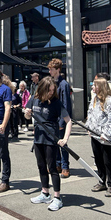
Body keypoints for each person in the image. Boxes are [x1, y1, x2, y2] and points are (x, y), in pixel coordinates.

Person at [24, 76, 72, 211]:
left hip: (51, 138)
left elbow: (69, 121)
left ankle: (57, 197)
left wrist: (65, 139)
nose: (51, 93)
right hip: (38, 137)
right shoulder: (34, 98)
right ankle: (45, 193)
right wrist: (27, 113)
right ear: (42, 89)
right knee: (41, 166)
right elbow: (27, 116)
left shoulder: (56, 102)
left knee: (52, 167)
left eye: (53, 90)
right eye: (49, 90)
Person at [86, 78, 111, 197]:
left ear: (100, 87)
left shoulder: (110, 100)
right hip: (95, 135)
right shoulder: (94, 99)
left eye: (94, 85)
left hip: (107, 138)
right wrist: (89, 128)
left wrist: (107, 134)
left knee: (108, 161)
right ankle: (101, 181)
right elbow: (90, 114)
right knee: (98, 159)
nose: (92, 88)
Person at [48, 58, 72, 178]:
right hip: (53, 118)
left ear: (58, 70)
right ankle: (57, 164)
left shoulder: (64, 84)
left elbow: (66, 104)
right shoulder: (52, 83)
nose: (50, 71)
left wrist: (63, 121)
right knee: (55, 143)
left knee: (63, 144)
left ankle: (65, 166)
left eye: (51, 69)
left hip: (60, 118)